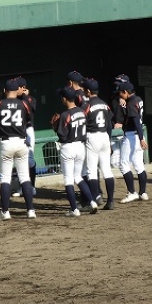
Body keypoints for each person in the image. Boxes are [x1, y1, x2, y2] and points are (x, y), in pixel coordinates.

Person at [0, 79, 36, 220]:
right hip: (21, 141)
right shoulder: (23, 103)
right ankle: (30, 210)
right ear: (17, 90)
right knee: (25, 177)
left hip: (6, 142)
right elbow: (29, 117)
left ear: (5, 91)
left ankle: (5, 212)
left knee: (5, 178)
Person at [53, 86, 97, 216]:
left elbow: (62, 136)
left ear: (64, 99)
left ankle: (74, 209)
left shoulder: (65, 115)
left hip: (68, 147)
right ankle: (92, 202)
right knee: (78, 177)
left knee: (68, 179)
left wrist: (55, 127)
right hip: (80, 146)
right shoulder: (82, 111)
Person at [81, 78, 115, 210]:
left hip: (92, 137)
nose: (84, 91)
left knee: (91, 171)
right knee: (107, 170)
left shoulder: (87, 105)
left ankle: (94, 199)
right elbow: (109, 126)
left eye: (85, 89)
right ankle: (110, 201)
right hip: (104, 136)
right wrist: (109, 142)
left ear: (89, 91)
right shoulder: (105, 104)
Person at [117, 82, 149, 203]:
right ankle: (143, 192)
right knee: (139, 165)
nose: (120, 95)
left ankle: (131, 193)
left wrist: (141, 138)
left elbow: (135, 121)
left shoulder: (131, 103)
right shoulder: (138, 99)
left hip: (132, 136)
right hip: (138, 136)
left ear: (125, 92)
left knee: (123, 164)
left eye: (121, 93)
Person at [12, 76, 38, 198]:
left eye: (17, 87)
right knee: (18, 159)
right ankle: (21, 187)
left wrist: (25, 97)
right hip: (16, 131)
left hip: (27, 129)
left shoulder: (30, 99)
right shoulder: (12, 99)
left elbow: (31, 111)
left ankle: (32, 186)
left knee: (30, 160)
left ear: (23, 88)